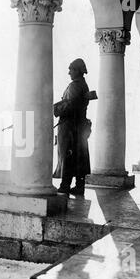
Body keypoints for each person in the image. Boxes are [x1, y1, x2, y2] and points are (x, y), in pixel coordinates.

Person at [53, 58, 91, 196]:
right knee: (79, 156)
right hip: (78, 126)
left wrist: (55, 109)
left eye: (71, 69)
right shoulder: (82, 84)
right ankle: (79, 186)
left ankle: (65, 185)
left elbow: (70, 105)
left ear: (77, 70)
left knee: (67, 155)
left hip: (69, 126)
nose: (69, 72)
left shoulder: (75, 85)